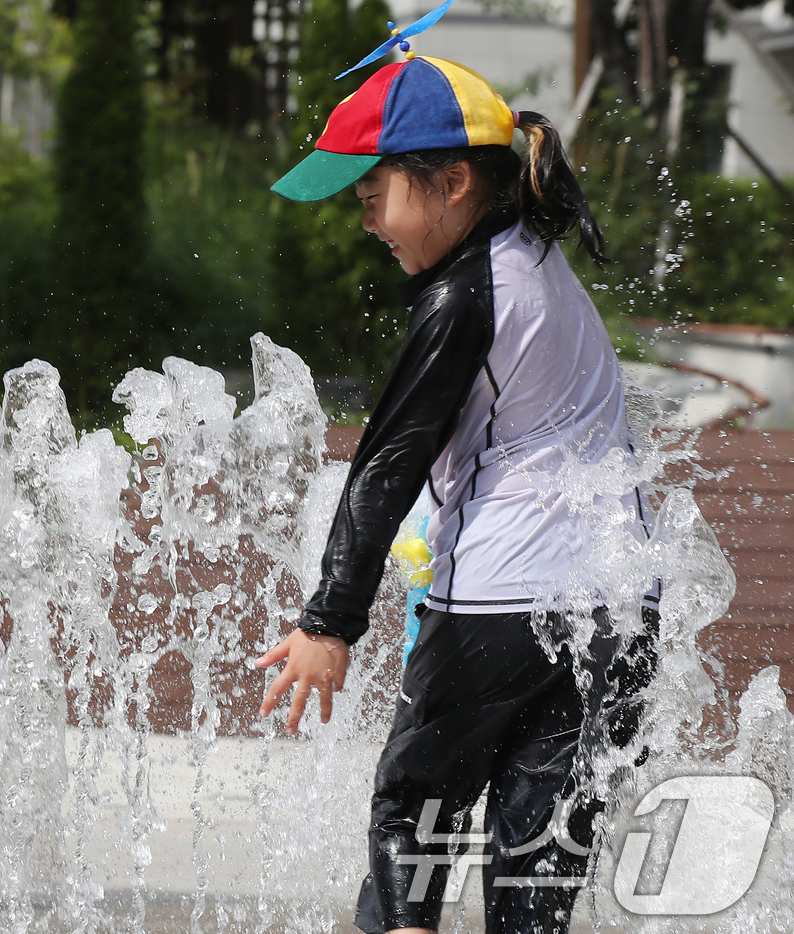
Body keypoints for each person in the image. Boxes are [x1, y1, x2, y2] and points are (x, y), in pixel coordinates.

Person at [254, 46, 659, 934]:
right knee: (535, 880)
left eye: (372, 198)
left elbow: (385, 466)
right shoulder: (536, 258)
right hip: (618, 607)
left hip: (502, 608)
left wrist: (328, 623)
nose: (367, 223)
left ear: (450, 185)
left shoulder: (465, 296)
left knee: (410, 819)